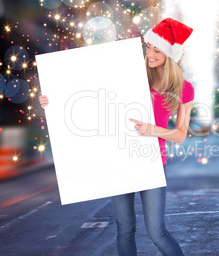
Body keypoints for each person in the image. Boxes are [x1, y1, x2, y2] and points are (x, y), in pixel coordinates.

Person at [39, 17, 194, 256]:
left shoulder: (184, 88)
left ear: (171, 54)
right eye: (148, 47)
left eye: (156, 49)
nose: (150, 54)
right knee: (125, 229)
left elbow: (181, 135)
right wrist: (53, 98)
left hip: (151, 162)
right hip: (119, 160)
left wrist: (151, 130)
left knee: (157, 232)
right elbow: (87, 91)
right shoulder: (133, 74)